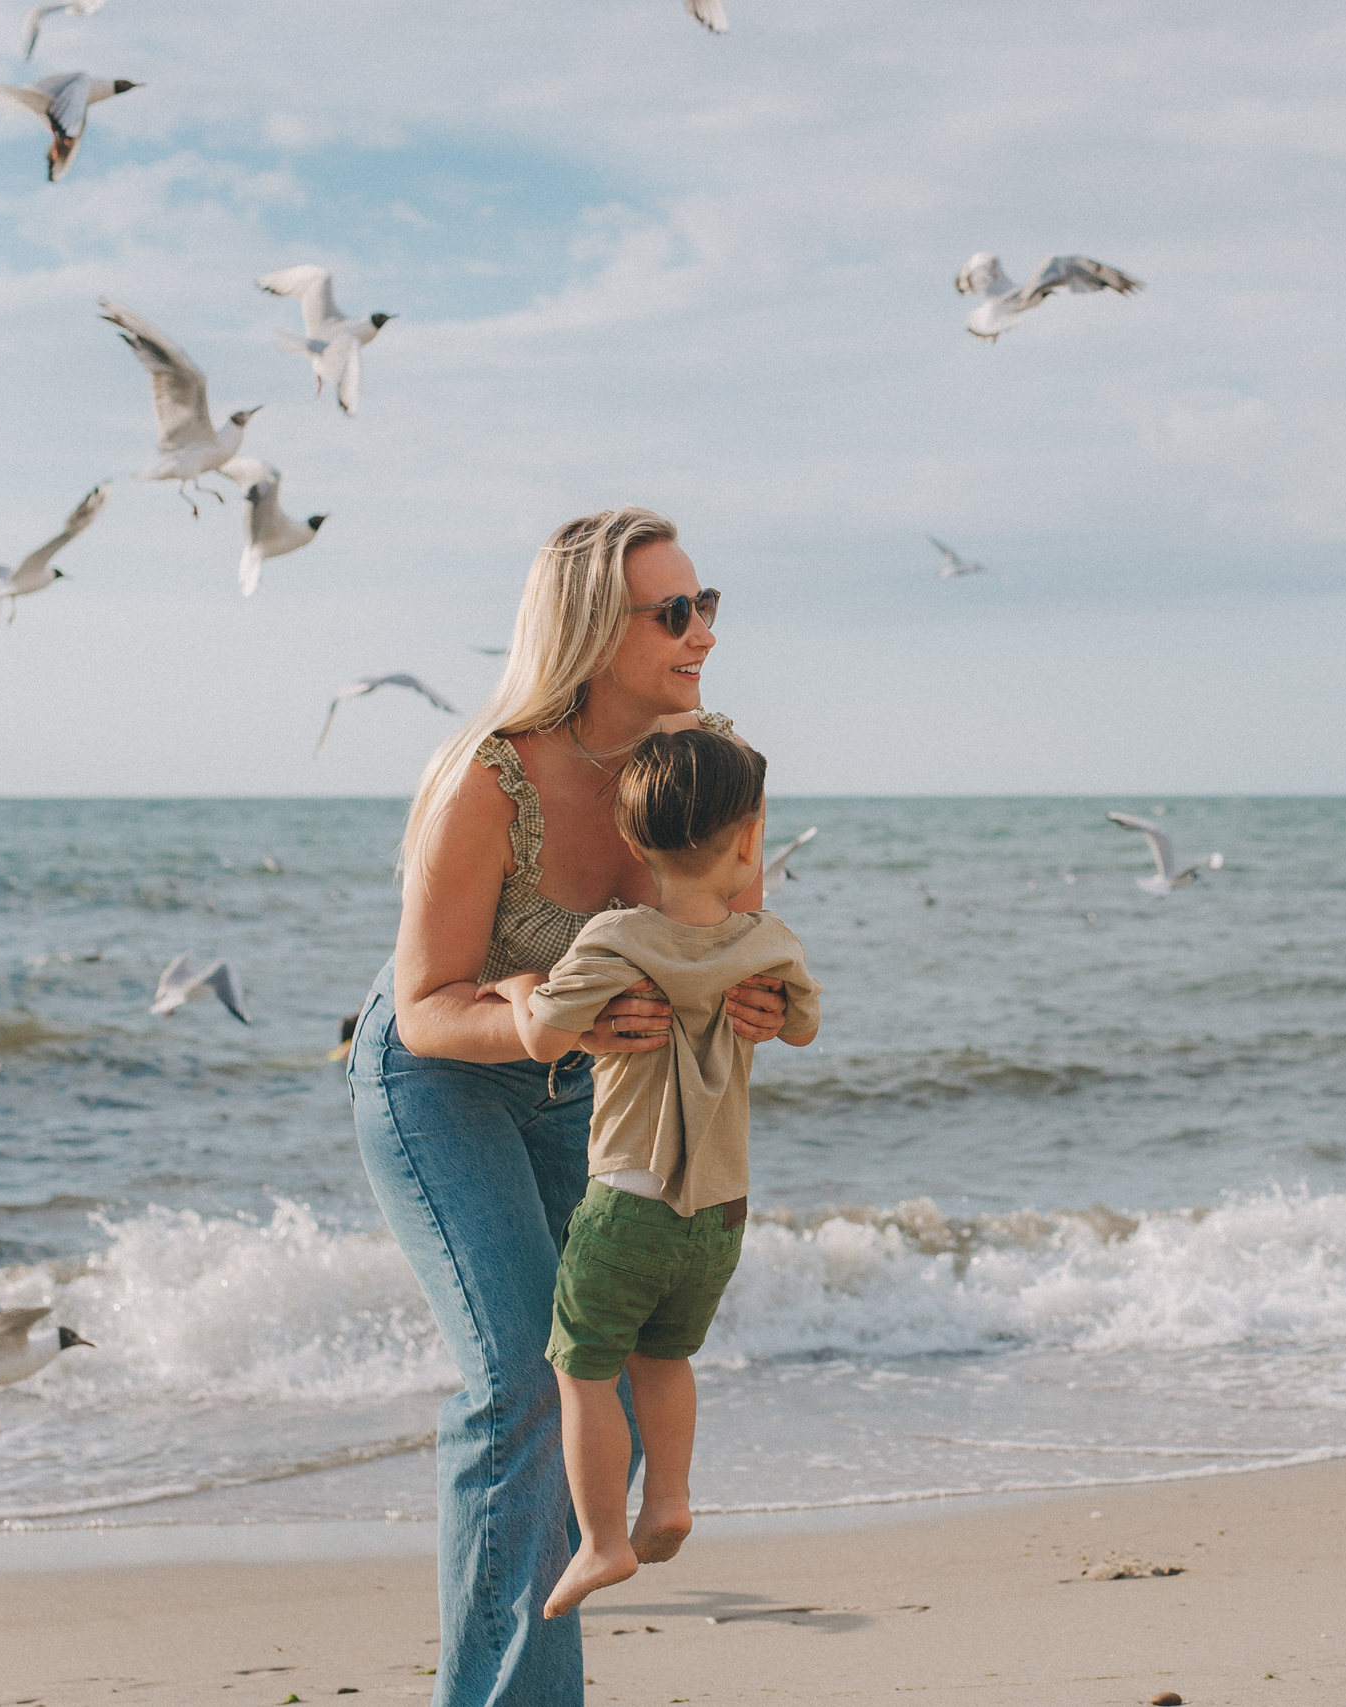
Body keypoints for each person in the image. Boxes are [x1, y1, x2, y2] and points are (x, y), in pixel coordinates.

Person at [347, 507, 792, 1707]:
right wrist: (556, 1020)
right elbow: (429, 1003)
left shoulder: (709, 757)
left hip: (591, 1093)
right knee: (523, 1386)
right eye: (674, 613)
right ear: (597, 630)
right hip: (444, 1083)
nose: (702, 632)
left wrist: (747, 995)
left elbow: (743, 915)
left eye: (707, 605)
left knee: (604, 1388)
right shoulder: (487, 780)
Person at [495, 727, 820, 1618]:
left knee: (583, 1366)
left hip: (629, 1201)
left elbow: (544, 1036)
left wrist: (517, 981)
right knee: (666, 1354)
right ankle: (668, 1496)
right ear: (750, 842)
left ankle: (602, 1540)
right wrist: (777, 1008)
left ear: (634, 845)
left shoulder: (614, 937)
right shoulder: (768, 943)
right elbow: (802, 1024)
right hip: (721, 1213)